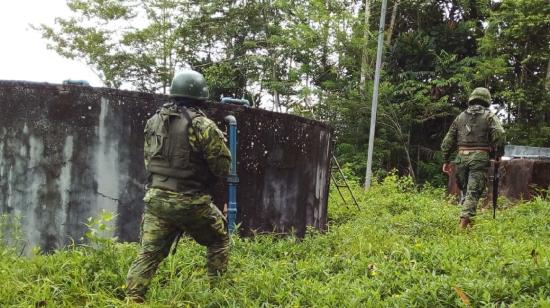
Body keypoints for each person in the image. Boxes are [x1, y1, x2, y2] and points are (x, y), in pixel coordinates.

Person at [125, 70, 231, 302]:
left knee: (149, 253)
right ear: (201, 96)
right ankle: (217, 295)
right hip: (190, 201)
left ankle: (132, 299)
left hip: (156, 199)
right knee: (218, 240)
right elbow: (222, 167)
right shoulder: (202, 125)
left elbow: (148, 159)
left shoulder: (153, 121)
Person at [441, 87, 505, 229]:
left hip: (461, 158)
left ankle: (470, 226)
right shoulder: (489, 116)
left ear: (472, 98)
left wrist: (446, 160)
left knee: (467, 193)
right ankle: (461, 228)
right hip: (479, 158)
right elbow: (500, 133)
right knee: (472, 193)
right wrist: (498, 154)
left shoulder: (460, 117)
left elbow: (447, 141)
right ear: (486, 100)